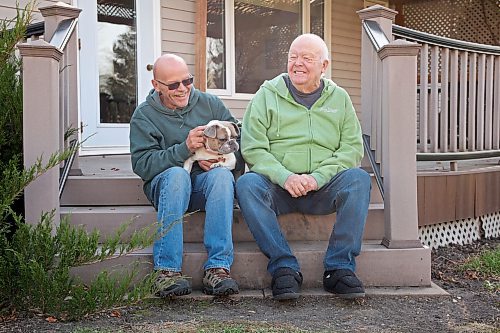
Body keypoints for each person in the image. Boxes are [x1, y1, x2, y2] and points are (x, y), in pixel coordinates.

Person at [235, 34, 371, 300]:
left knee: (358, 179)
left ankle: (339, 268)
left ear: (324, 65)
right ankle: (283, 266)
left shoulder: (339, 98)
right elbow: (253, 148)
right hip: (279, 189)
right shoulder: (266, 95)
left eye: (307, 58)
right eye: (293, 57)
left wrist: (318, 177)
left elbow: (352, 148)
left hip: (323, 188)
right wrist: (285, 177)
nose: (298, 64)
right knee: (247, 184)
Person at [130, 54, 242, 297]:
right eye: (173, 85)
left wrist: (219, 160)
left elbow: (237, 139)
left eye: (187, 81)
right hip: (167, 186)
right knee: (177, 177)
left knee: (223, 177)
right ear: (156, 85)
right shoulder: (144, 115)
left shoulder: (210, 104)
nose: (182, 89)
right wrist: (184, 150)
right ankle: (167, 271)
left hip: (203, 184)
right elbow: (142, 165)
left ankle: (218, 268)